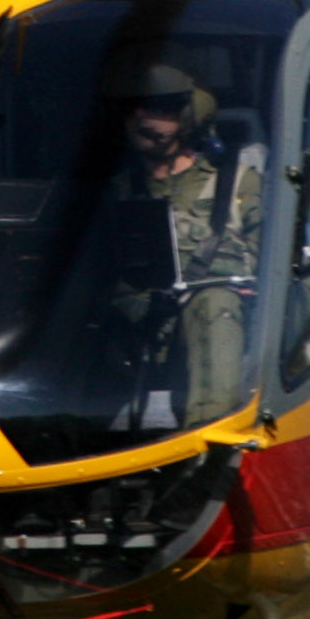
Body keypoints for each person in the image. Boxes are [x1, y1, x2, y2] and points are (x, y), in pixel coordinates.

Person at [103, 59, 265, 426]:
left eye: (159, 108)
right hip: (138, 324)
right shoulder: (115, 192)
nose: (143, 118)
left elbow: (271, 263)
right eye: (133, 108)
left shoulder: (236, 183)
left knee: (215, 301)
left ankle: (210, 434)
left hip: (216, 321)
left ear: (188, 116)